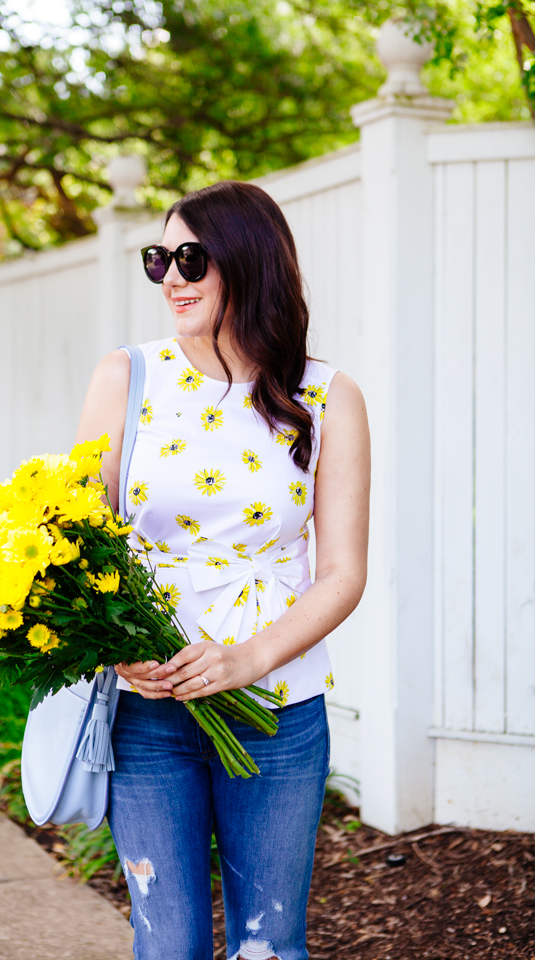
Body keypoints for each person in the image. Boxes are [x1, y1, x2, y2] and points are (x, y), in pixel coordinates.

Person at [75, 180, 370, 960]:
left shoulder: (327, 396)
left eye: (191, 259)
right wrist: (116, 648)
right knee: (166, 946)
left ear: (248, 260)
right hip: (148, 712)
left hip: (278, 709)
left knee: (270, 946)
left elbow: (343, 572)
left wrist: (248, 659)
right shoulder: (126, 377)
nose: (170, 278)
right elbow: (78, 543)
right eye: (159, 259)